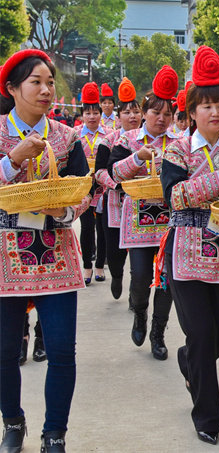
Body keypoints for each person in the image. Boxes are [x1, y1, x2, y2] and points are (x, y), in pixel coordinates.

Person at [160, 45, 219, 445]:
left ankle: (188, 362)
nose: (215, 113)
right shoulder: (177, 149)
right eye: (206, 106)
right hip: (185, 254)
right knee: (200, 333)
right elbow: (173, 196)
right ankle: (208, 417)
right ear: (191, 112)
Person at [0, 48, 91, 453]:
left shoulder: (67, 137)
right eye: (35, 82)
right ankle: (13, 422)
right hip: (5, 252)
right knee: (4, 350)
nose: (45, 89)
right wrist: (12, 159)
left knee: (61, 350)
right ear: (13, 88)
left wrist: (67, 207)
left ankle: (55, 432)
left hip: (55, 247)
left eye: (50, 82)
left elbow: (84, 189)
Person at [108, 66, 180, 361]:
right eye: (155, 113)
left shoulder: (178, 145)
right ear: (145, 113)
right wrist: (138, 157)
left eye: (167, 115)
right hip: (137, 217)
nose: (161, 119)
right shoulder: (126, 141)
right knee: (139, 276)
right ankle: (140, 313)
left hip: (169, 221)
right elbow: (114, 174)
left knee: (165, 279)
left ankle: (158, 332)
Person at [94, 77, 142, 301]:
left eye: (136, 111)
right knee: (115, 251)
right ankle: (116, 275)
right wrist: (118, 183)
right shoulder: (108, 141)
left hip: (144, 205)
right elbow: (99, 172)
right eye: (126, 112)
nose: (132, 116)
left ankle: (137, 290)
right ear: (118, 116)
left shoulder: (149, 140)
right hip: (115, 203)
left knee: (140, 256)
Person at [78, 82, 107, 285]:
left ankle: (99, 267)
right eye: (87, 112)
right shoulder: (75, 135)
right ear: (82, 115)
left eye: (95, 112)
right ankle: (87, 266)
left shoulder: (109, 135)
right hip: (84, 188)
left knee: (102, 228)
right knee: (87, 227)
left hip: (103, 188)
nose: (92, 116)